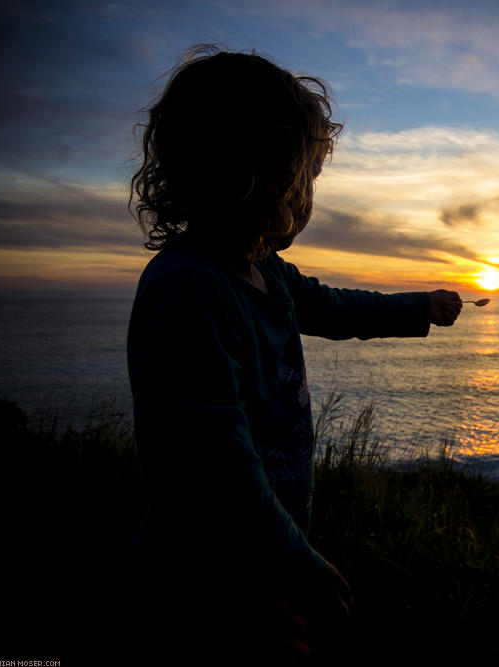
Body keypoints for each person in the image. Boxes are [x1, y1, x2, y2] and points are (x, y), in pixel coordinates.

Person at [126, 47, 462, 662]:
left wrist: (419, 307)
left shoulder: (267, 274)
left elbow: (336, 308)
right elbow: (217, 469)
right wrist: (299, 562)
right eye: (303, 172)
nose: (308, 191)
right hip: (205, 577)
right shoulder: (190, 289)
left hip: (260, 559)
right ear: (252, 171)